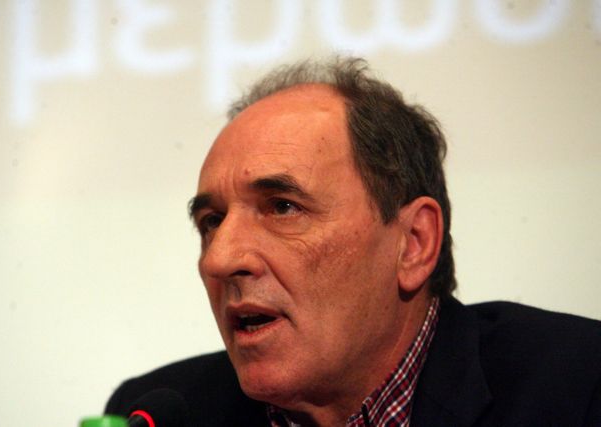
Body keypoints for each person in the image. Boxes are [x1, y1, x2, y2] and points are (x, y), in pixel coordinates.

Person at [104, 57, 601, 426]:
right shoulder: (158, 414)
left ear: (413, 243)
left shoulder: (577, 387)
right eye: (212, 221)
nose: (220, 258)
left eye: (283, 207)